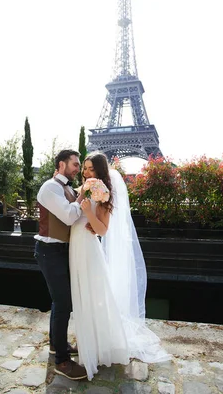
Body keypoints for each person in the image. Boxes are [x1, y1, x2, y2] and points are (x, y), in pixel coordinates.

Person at [70, 153, 171, 380]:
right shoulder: (85, 189)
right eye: (84, 169)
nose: (86, 173)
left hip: (88, 248)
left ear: (100, 172)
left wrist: (87, 212)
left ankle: (98, 347)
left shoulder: (103, 195)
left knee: (93, 296)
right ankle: (89, 342)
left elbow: (102, 230)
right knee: (83, 296)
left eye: (90, 169)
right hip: (76, 247)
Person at [34, 149, 87, 380]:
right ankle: (62, 363)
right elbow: (68, 216)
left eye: (78, 165)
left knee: (62, 302)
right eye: (75, 164)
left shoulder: (68, 188)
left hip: (62, 251)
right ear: (61, 164)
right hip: (49, 251)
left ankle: (57, 345)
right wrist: (83, 195)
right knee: (63, 302)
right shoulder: (50, 188)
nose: (78, 168)